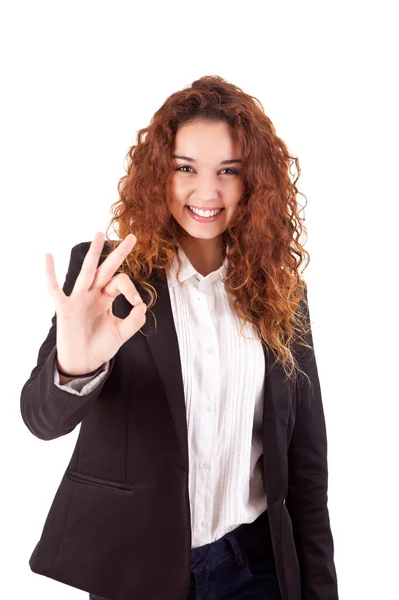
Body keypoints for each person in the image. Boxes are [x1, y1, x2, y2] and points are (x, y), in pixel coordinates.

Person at [20, 75, 339, 600]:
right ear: (158, 176)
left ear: (254, 181)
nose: (206, 192)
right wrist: (74, 365)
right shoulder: (106, 279)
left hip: (255, 568)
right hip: (137, 570)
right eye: (185, 168)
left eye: (229, 172)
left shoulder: (281, 292)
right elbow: (41, 420)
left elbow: (307, 465)